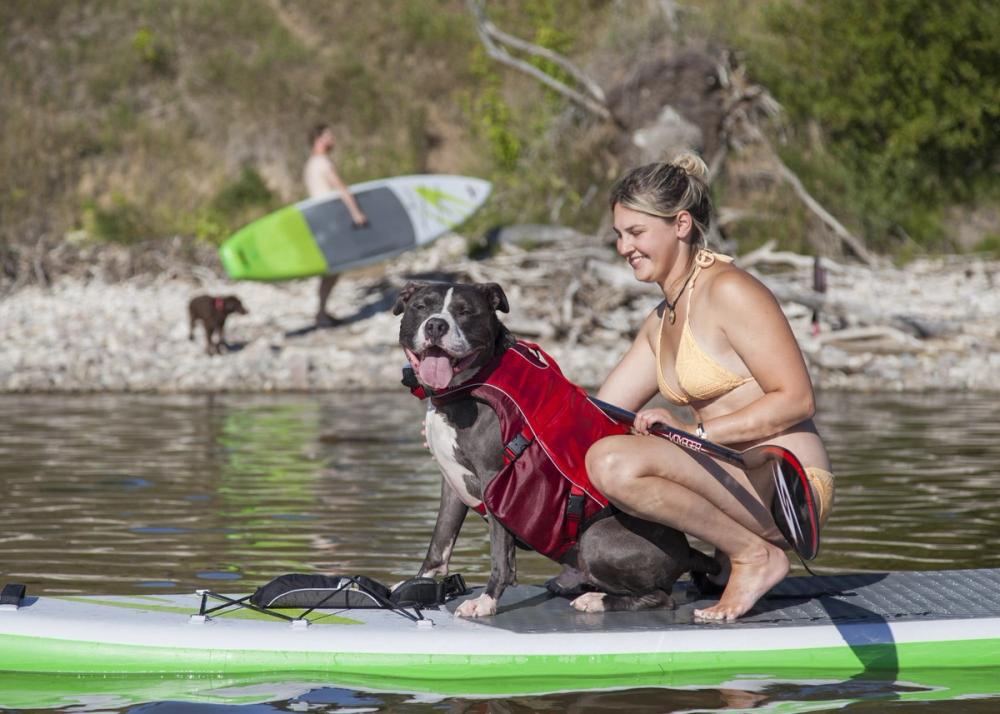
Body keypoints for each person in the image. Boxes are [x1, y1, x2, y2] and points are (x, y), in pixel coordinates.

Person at [585, 153, 835, 621]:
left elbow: (797, 398)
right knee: (598, 449)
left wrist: (695, 434)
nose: (624, 247)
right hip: (729, 481)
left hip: (785, 490)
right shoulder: (659, 323)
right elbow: (595, 416)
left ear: (681, 224)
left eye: (635, 233)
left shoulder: (730, 290)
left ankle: (753, 556)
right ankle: (732, 555)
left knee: (614, 461)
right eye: (619, 235)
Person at [303, 123, 368, 327]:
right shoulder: (323, 162)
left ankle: (322, 311)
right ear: (319, 139)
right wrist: (356, 213)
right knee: (332, 269)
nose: (332, 139)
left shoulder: (310, 163)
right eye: (328, 136)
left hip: (320, 222)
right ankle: (321, 314)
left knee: (330, 270)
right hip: (329, 222)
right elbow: (340, 188)